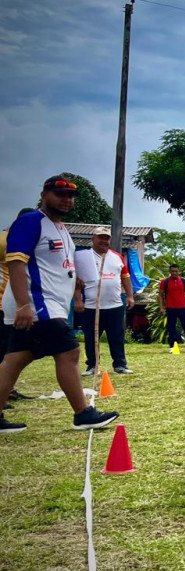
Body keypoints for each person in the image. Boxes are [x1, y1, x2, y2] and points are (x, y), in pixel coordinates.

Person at [0, 176, 119, 433]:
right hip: (37, 302)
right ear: (44, 194)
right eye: (60, 194)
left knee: (15, 359)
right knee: (70, 351)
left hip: (47, 303)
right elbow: (16, 262)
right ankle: (83, 413)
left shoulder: (61, 227)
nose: (67, 200)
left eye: (71, 196)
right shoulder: (31, 221)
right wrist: (23, 304)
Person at [75, 227, 135, 376]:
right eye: (100, 237)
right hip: (91, 306)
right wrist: (77, 300)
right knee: (91, 337)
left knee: (117, 336)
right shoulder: (82, 257)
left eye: (106, 238)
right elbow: (75, 281)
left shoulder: (117, 257)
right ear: (93, 239)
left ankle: (120, 364)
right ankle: (92, 366)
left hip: (114, 305)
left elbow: (125, 277)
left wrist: (129, 296)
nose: (104, 241)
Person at [1, 207, 39, 405]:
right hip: (7, 303)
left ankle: (8, 391)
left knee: (11, 352)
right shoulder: (6, 239)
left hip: (14, 302)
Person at [158, 264, 185, 351]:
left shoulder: (184, 281)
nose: (174, 273)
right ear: (170, 272)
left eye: (176, 271)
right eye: (172, 271)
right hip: (170, 308)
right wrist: (161, 308)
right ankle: (172, 347)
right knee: (171, 328)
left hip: (182, 308)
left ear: (179, 271)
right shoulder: (165, 282)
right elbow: (160, 295)